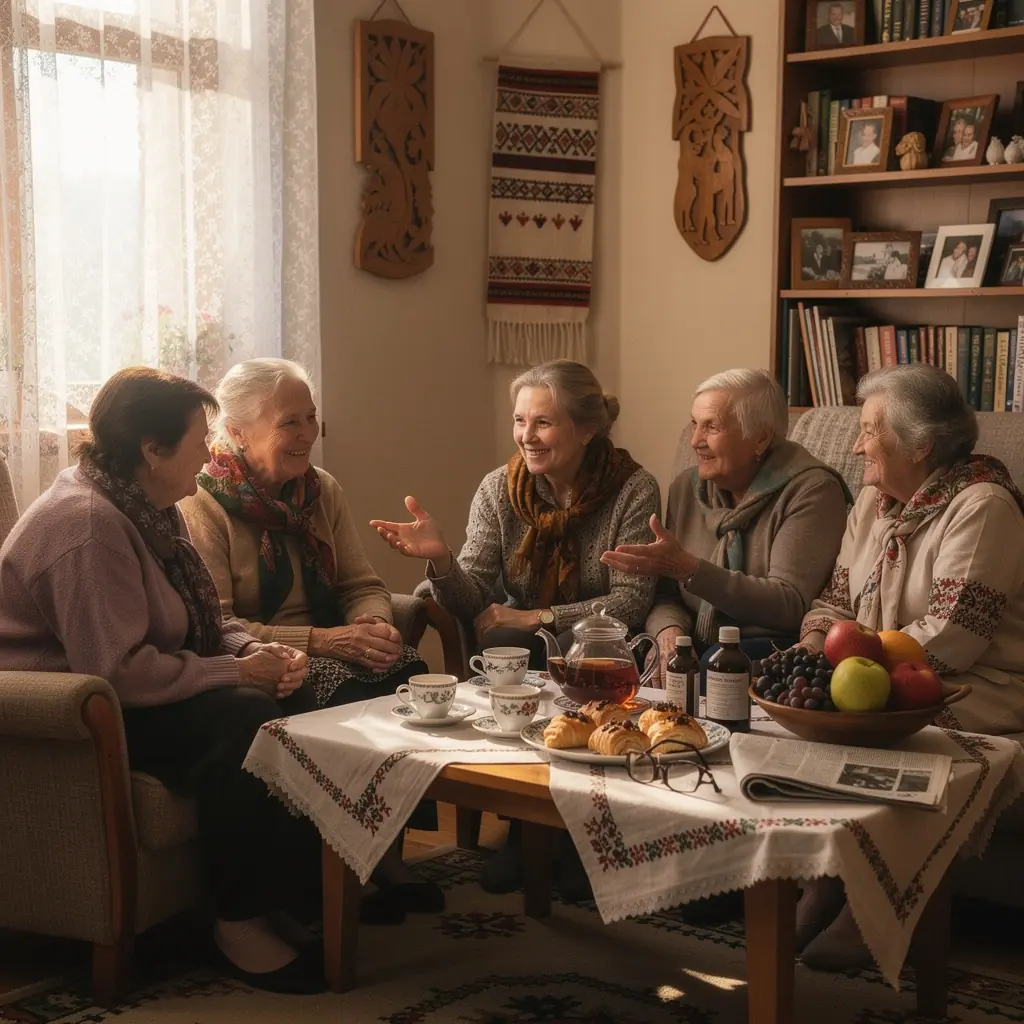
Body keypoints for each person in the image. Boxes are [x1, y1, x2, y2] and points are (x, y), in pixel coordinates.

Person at [0, 368, 328, 994]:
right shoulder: (88, 524)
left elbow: (195, 625)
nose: (211, 451)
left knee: (292, 693)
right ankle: (236, 925)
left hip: (126, 688)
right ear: (151, 449)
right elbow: (117, 669)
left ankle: (278, 895)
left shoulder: (149, 507)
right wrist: (237, 671)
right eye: (200, 439)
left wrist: (254, 650)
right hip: (69, 711)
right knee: (243, 718)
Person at [370, 359, 660, 896]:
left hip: (603, 651)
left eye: (543, 422)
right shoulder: (499, 489)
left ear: (587, 428)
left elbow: (631, 601)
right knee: (505, 638)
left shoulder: (633, 489)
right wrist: (440, 562)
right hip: (520, 651)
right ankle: (529, 829)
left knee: (519, 635)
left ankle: (574, 835)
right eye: (519, 420)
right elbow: (472, 598)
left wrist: (542, 617)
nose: (527, 436)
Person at [180, 358, 442, 916]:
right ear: (236, 432)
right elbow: (217, 625)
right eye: (289, 423)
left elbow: (363, 584)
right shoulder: (200, 504)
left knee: (410, 676)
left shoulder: (321, 491)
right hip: (271, 652)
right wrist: (325, 641)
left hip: (333, 636)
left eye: (312, 418)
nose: (307, 435)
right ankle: (333, 869)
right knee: (347, 696)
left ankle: (382, 850)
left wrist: (373, 623)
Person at [794, 365, 1024, 972]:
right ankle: (824, 878)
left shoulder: (984, 507)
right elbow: (835, 598)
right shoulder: (872, 500)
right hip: (876, 671)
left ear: (920, 444)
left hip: (974, 688)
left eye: (870, 431)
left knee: (884, 728)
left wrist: (846, 663)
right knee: (806, 708)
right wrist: (816, 646)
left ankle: (875, 902)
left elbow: (952, 639)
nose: (855, 445)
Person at [602, 369, 849, 682]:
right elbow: (666, 594)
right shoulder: (686, 488)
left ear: (761, 437)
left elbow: (788, 605)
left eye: (712, 427)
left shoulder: (812, 490)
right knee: (613, 654)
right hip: (697, 638)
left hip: (772, 643)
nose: (695, 441)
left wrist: (690, 569)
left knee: (715, 665)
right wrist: (669, 634)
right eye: (694, 423)